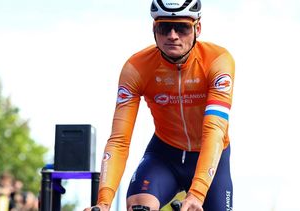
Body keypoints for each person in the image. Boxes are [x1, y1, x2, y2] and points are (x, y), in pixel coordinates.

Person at [84, 0, 235, 210]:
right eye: (165, 28)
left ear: (197, 28)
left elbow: (214, 130)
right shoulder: (136, 68)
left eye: (182, 27)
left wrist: (198, 193)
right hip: (165, 155)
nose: (173, 35)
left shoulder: (218, 60)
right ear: (154, 29)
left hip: (210, 156)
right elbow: (119, 140)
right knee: (139, 206)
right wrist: (104, 201)